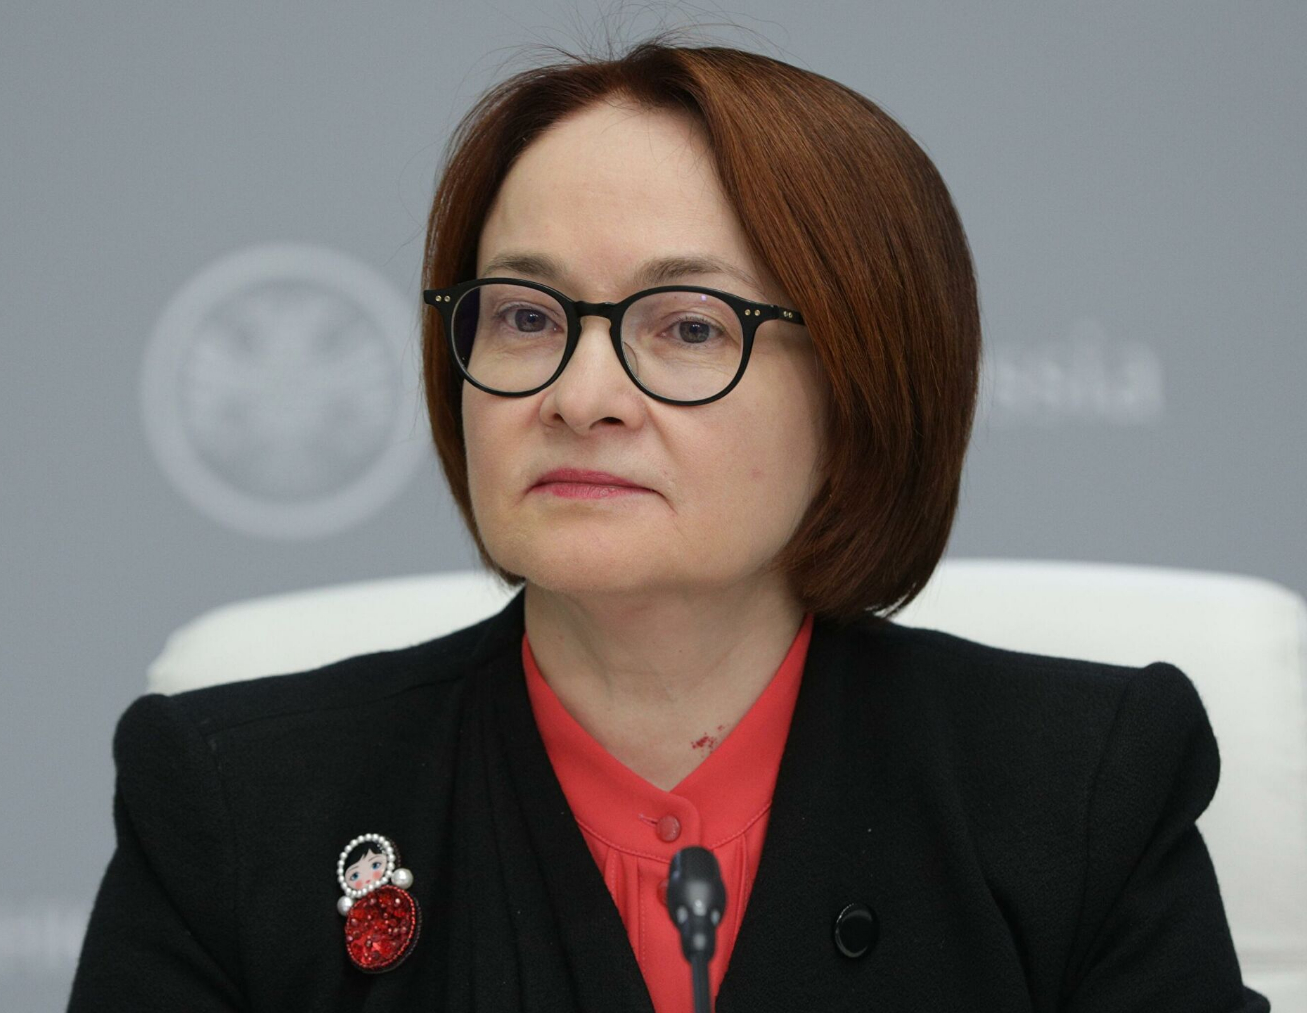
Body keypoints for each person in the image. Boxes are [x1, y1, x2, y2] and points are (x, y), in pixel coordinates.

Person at [67, 33, 1271, 1013]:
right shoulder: (237, 804)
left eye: (688, 325)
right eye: (526, 316)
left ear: (860, 384)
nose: (579, 395)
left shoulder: (1081, 787)